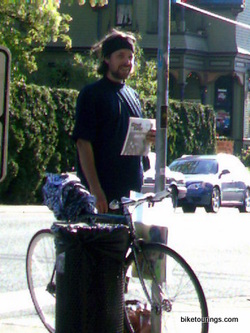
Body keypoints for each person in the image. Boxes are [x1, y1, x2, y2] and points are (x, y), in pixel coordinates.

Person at [72, 29, 155, 213]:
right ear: (107, 59)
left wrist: (148, 139)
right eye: (121, 56)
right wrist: (96, 190)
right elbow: (83, 143)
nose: (127, 62)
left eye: (130, 56)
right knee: (102, 242)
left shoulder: (133, 95)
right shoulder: (92, 94)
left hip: (131, 193)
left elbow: (131, 142)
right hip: (103, 194)